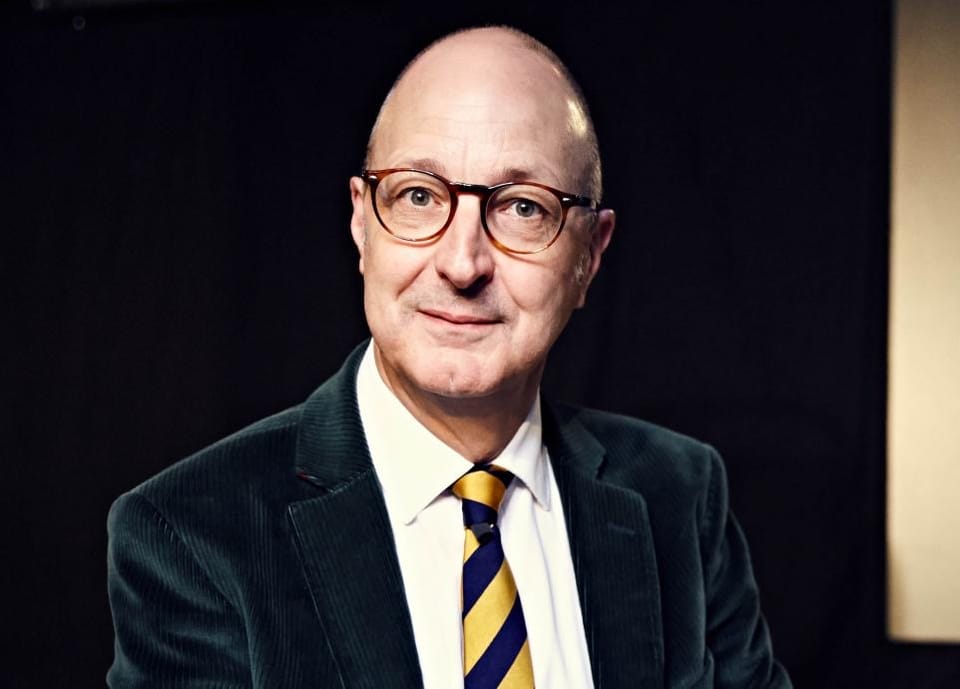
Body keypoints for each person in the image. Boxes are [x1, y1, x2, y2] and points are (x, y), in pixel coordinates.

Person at [106, 25, 792, 689]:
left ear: (589, 254)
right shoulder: (191, 532)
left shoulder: (680, 495)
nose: (463, 264)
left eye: (523, 208)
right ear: (361, 222)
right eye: (418, 195)